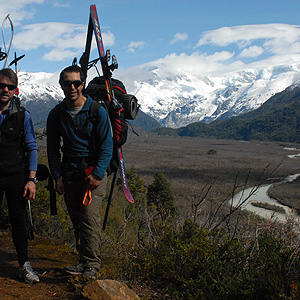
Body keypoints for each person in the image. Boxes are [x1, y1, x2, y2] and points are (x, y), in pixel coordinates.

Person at [46, 65, 113, 278]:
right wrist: (57, 176)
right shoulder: (57, 114)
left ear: (82, 84)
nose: (72, 87)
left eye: (76, 83)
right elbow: (52, 148)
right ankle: (83, 261)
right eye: (67, 83)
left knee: (89, 217)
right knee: (77, 218)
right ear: (62, 85)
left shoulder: (96, 112)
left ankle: (92, 264)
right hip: (70, 171)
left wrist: (98, 174)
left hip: (93, 171)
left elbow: (106, 146)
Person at [0, 68, 39, 284]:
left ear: (16, 90)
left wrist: (31, 179)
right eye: (1, 85)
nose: (4, 89)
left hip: (16, 175)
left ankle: (23, 264)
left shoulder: (23, 116)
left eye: (9, 86)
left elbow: (31, 147)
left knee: (19, 222)